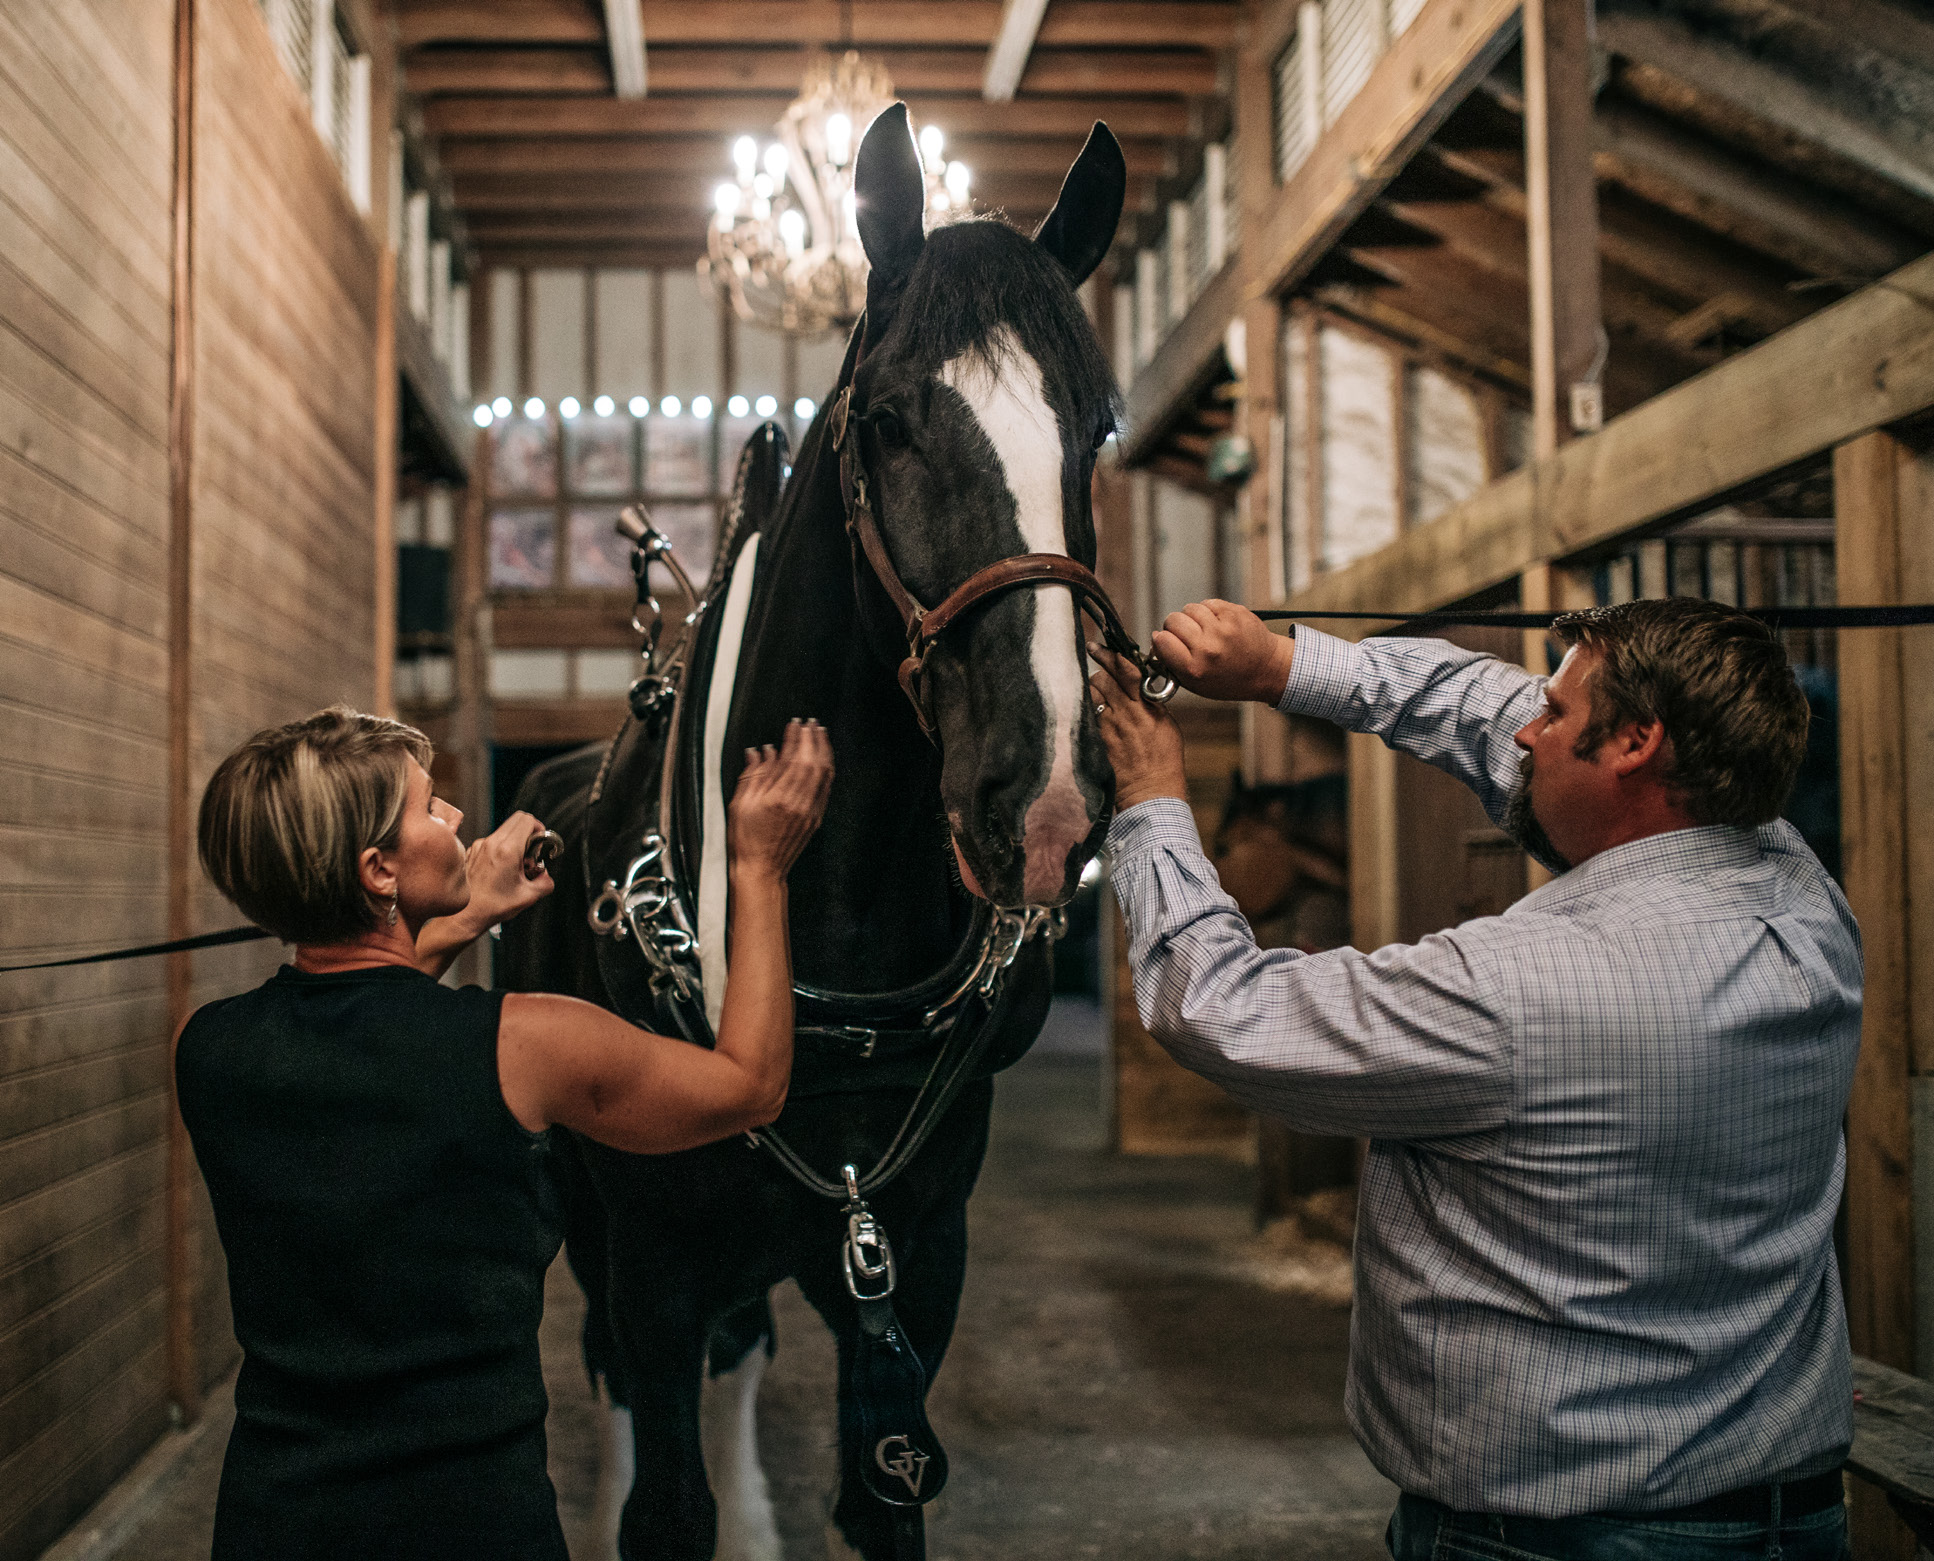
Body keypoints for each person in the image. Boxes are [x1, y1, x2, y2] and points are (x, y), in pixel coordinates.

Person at [1087, 597, 1857, 1561]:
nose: (1526, 727)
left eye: (1558, 713)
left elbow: (1218, 1006)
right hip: (1793, 1519)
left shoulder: (1519, 988)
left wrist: (1155, 804)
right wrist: (1283, 666)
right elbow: (1484, 709)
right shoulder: (1800, 889)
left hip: (1556, 1539)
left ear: (1635, 744)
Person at [177, 706, 832, 1561]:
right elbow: (752, 1084)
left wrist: (457, 915)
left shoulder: (211, 1048)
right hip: (469, 1520)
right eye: (428, 808)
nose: (454, 817)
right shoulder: (529, 1046)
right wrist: (760, 866)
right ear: (379, 870)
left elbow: (361, 1012)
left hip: (276, 1514)